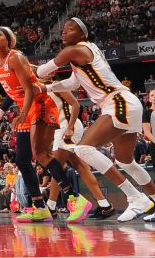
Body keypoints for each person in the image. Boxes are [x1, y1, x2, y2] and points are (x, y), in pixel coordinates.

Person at [38, 17, 155, 222]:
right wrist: (47, 88)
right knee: (126, 161)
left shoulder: (73, 50)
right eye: (64, 29)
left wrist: (35, 74)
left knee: (83, 148)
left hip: (118, 102)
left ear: (82, 34)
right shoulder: (86, 52)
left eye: (70, 29)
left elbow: (42, 71)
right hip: (127, 102)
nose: (64, 32)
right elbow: (72, 83)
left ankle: (134, 197)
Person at [0, 26, 91, 223]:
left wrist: (23, 113)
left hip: (40, 105)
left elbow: (28, 89)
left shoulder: (15, 57)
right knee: (22, 160)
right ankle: (39, 206)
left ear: (9, 39)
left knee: (40, 154)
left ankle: (75, 199)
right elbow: (13, 91)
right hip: (26, 108)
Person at [48, 88, 114, 219]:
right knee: (80, 166)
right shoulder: (40, 88)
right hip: (60, 128)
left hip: (67, 127)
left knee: (56, 165)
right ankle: (105, 205)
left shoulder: (56, 86)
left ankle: (51, 207)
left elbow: (76, 105)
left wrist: (70, 127)